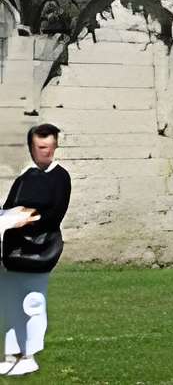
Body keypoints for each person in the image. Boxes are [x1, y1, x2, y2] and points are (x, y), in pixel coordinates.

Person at [0, 123, 68, 376]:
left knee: (32, 303)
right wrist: (7, 217)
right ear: (31, 147)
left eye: (49, 147)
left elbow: (53, 214)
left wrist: (26, 219)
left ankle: (29, 355)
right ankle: (11, 354)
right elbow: (10, 206)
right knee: (9, 304)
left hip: (38, 250)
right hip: (12, 253)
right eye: (40, 147)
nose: (45, 152)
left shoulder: (60, 177)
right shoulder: (24, 178)